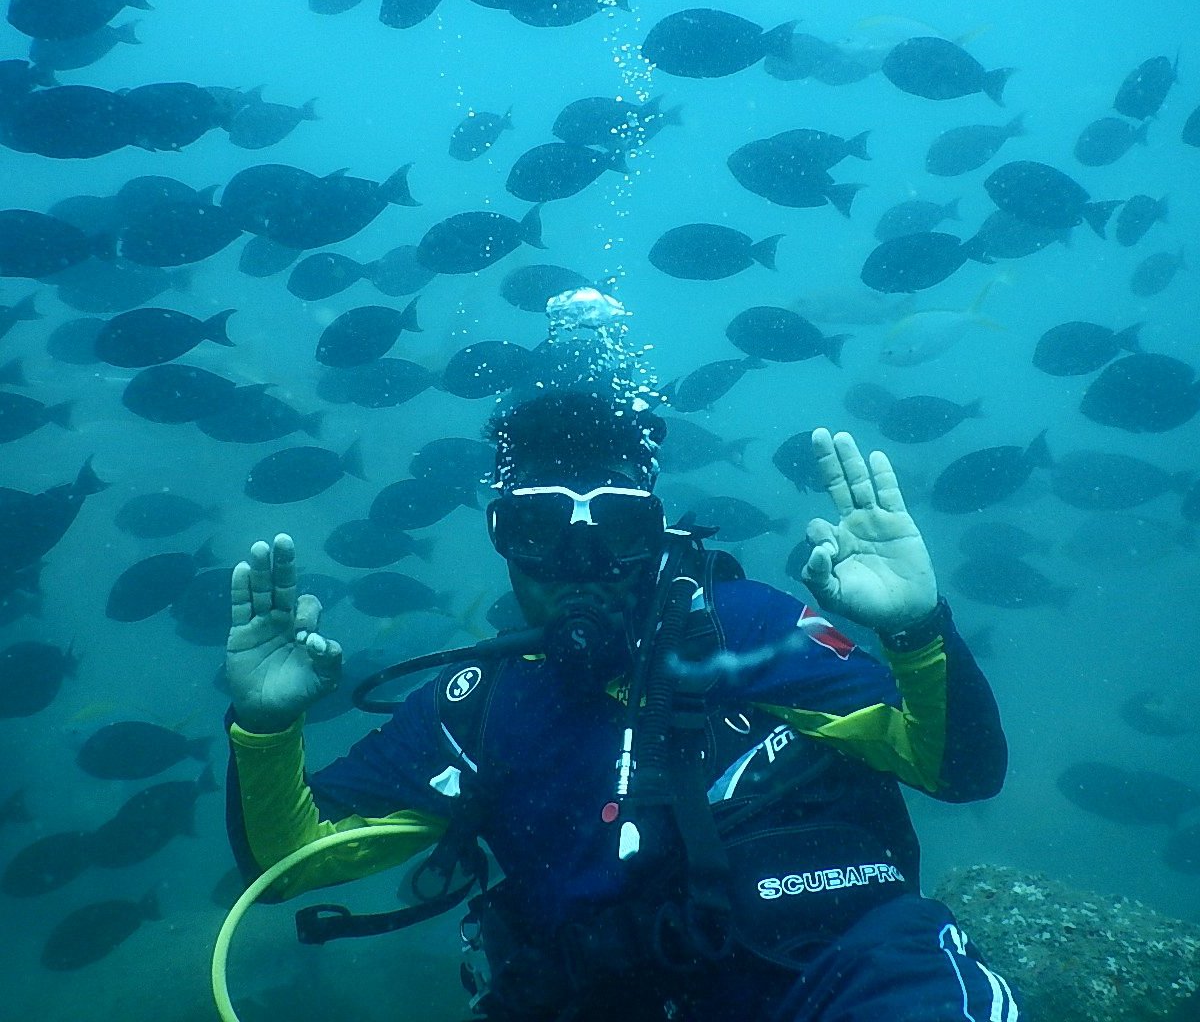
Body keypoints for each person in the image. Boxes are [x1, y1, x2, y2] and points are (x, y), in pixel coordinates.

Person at [224, 292, 1016, 1022]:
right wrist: (263, 723)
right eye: (537, 530)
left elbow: (958, 770)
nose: (580, 562)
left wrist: (916, 629)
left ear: (655, 532)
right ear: (503, 541)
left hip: (844, 982)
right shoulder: (476, 707)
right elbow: (286, 866)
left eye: (615, 527)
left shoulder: (744, 631)